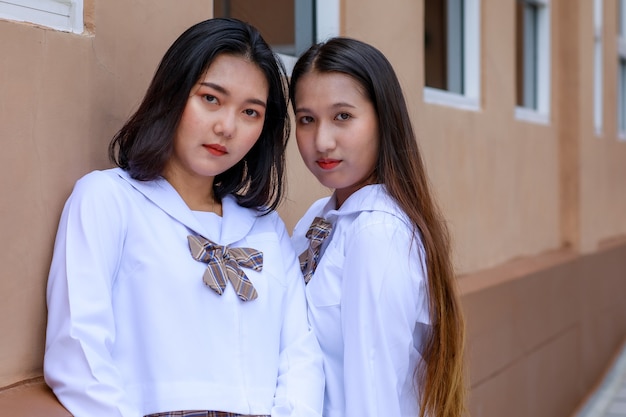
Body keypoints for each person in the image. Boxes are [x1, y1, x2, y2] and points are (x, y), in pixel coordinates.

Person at [44, 18, 324, 417]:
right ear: (174, 93)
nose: (226, 127)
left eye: (250, 112)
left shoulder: (266, 230)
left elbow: (301, 357)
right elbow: (78, 351)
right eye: (211, 98)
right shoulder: (109, 200)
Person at [289, 37, 466, 417]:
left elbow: (374, 395)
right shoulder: (319, 218)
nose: (322, 141)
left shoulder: (376, 234)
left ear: (383, 119)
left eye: (342, 116)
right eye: (307, 119)